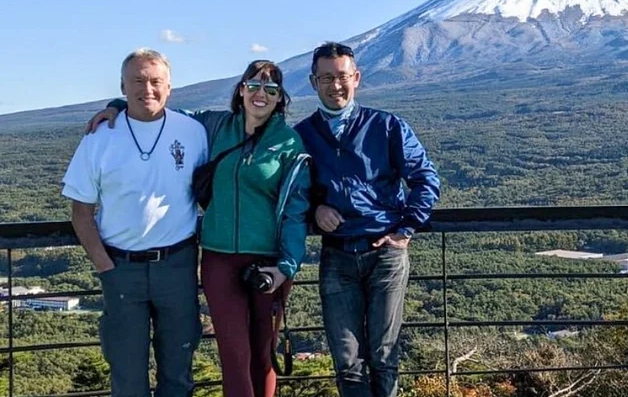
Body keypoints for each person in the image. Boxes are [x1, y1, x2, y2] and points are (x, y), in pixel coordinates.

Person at [88, 60, 311, 397]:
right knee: (235, 353)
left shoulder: (289, 144)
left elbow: (296, 210)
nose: (260, 94)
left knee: (262, 355)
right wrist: (121, 104)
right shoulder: (216, 126)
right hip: (219, 259)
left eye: (270, 89)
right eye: (253, 85)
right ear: (241, 90)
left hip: (268, 263)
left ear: (280, 98)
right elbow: (164, 111)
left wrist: (286, 267)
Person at [294, 42, 441, 397]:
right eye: (326, 78)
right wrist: (315, 209)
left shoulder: (387, 126)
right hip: (337, 255)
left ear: (356, 78)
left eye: (342, 76)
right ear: (314, 82)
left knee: (383, 354)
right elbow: (292, 191)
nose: (335, 85)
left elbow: (426, 178)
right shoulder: (302, 135)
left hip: (385, 254)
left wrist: (405, 229)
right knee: (346, 360)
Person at [63, 48, 209, 396]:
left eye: (156, 81)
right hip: (120, 267)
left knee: (178, 373)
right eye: (138, 81)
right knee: (127, 377)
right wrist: (104, 267)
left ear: (170, 86)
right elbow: (80, 210)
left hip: (178, 265)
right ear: (123, 86)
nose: (148, 89)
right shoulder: (99, 137)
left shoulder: (193, 132)